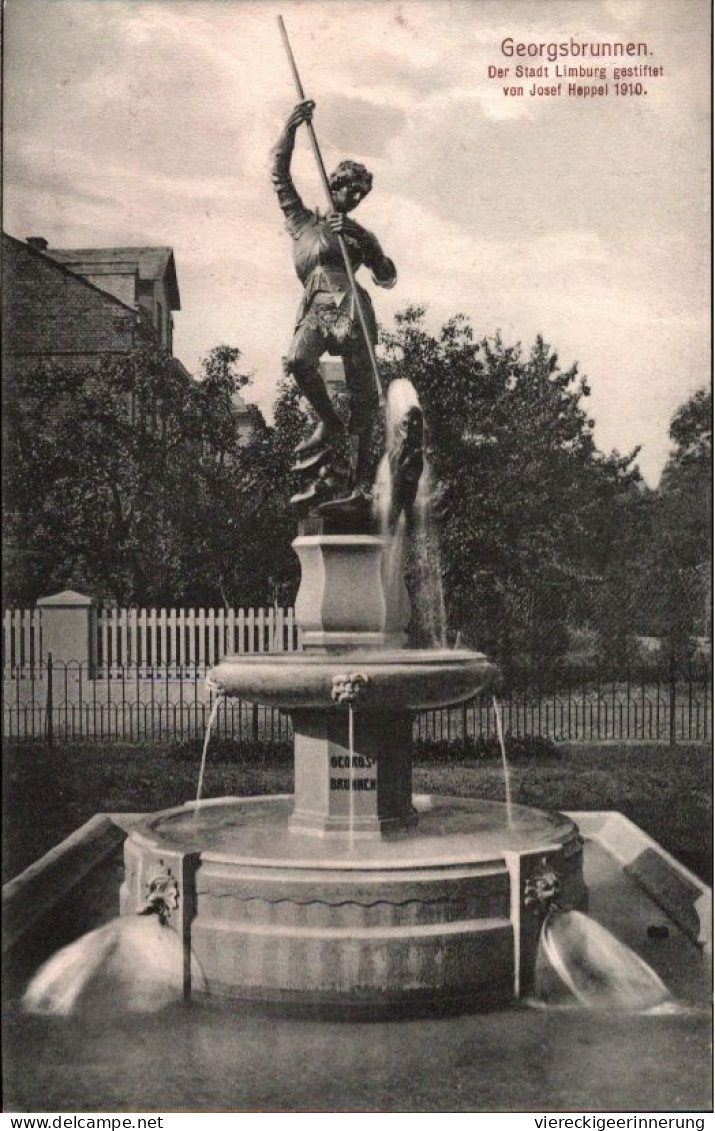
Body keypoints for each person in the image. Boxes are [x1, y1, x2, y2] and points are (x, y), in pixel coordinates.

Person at [271, 99, 396, 505]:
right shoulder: (302, 223)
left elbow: (387, 275)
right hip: (319, 305)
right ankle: (329, 424)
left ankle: (360, 485)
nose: (356, 197)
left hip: (353, 311)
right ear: (333, 183)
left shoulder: (356, 231)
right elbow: (278, 172)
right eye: (350, 188)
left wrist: (361, 235)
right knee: (299, 361)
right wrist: (291, 128)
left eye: (362, 194)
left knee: (365, 400)